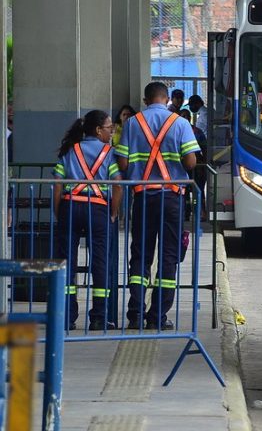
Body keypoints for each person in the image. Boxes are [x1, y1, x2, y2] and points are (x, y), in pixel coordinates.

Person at [116, 82, 199, 330]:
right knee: (169, 255)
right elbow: (191, 162)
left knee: (140, 255)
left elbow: (122, 163)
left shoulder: (132, 123)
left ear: (145, 99)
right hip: (172, 198)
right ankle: (157, 317)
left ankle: (135, 313)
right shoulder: (181, 124)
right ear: (166, 99)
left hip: (142, 197)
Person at [52, 110, 122, 331]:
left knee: (66, 262)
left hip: (70, 206)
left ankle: (67, 316)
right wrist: (113, 213)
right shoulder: (109, 153)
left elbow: (57, 185)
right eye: (109, 128)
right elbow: (118, 185)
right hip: (99, 209)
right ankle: (99, 317)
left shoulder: (70, 150)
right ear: (98, 130)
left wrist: (58, 211)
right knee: (100, 262)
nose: (112, 131)